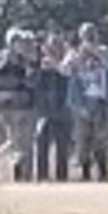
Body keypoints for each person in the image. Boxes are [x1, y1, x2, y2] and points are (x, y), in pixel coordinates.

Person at [60, 22, 108, 181]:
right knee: (82, 137)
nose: (90, 37)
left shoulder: (104, 51)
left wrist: (96, 52)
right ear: (81, 37)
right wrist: (76, 59)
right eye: (86, 35)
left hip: (99, 101)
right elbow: (63, 70)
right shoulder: (74, 53)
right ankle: (85, 171)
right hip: (81, 101)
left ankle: (103, 171)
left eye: (92, 34)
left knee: (102, 137)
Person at [0, 27, 38, 182]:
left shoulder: (28, 60)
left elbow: (32, 82)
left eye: (20, 42)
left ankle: (20, 175)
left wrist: (26, 64)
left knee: (21, 143)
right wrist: (9, 60)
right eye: (15, 41)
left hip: (20, 107)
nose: (18, 45)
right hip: (0, 105)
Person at [33, 30, 73, 182]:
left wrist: (54, 65)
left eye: (57, 45)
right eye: (51, 45)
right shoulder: (39, 63)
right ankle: (41, 177)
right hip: (44, 111)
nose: (54, 48)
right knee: (41, 140)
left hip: (63, 110)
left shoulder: (67, 61)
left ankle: (62, 178)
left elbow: (67, 73)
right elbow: (32, 82)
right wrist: (40, 69)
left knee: (62, 146)